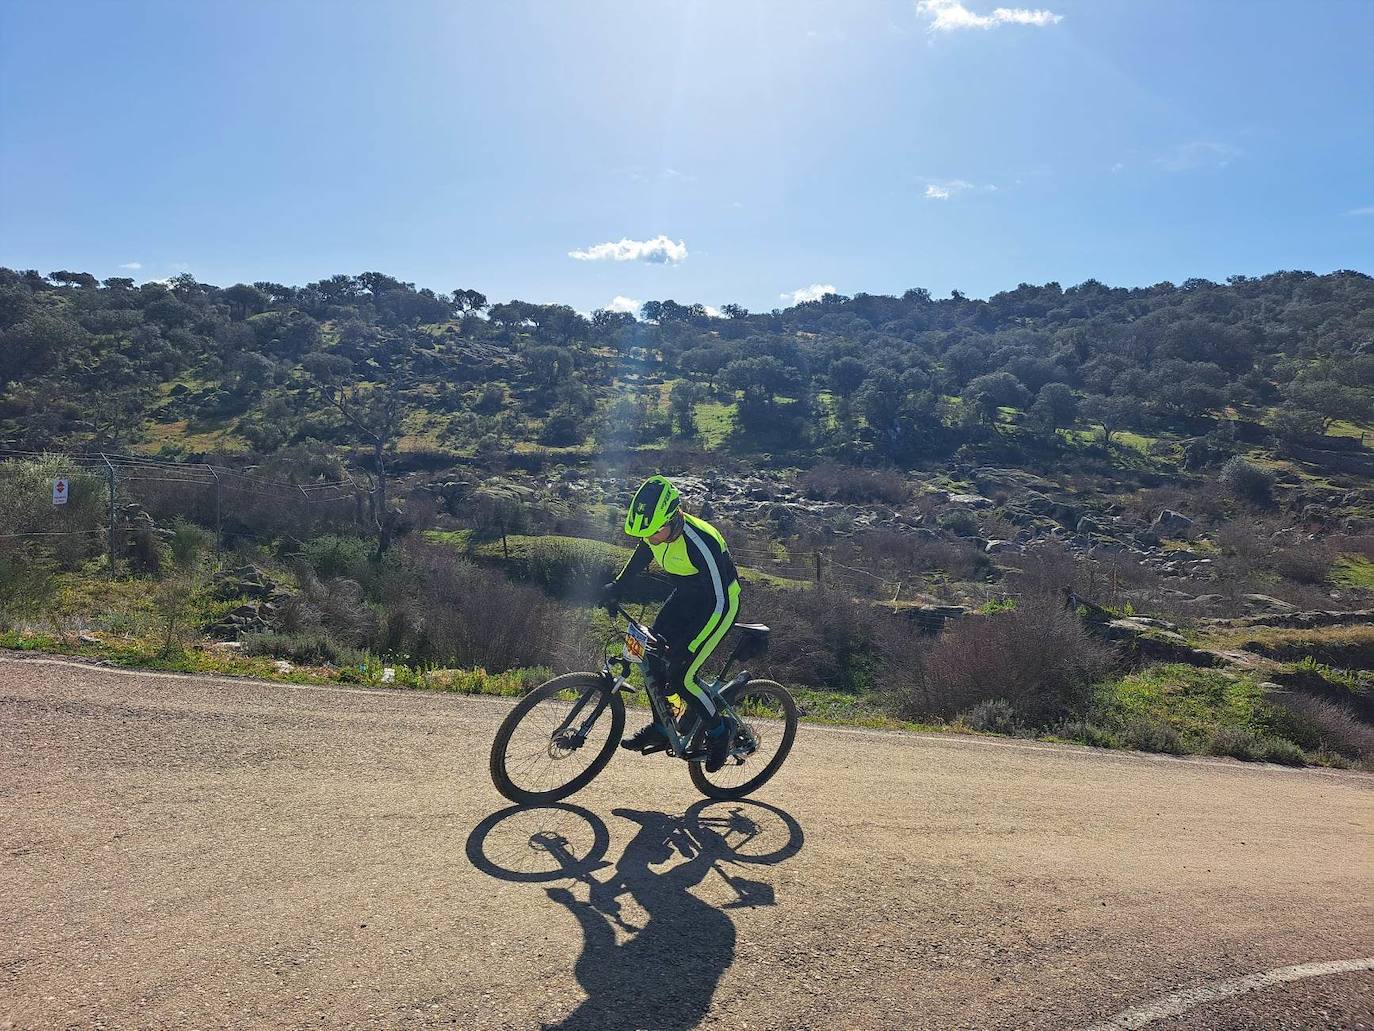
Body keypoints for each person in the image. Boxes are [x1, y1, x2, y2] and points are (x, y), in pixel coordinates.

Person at [599, 475, 741, 773]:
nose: (650, 540)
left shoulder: (701, 541)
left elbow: (719, 601)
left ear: (674, 518)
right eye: (646, 535)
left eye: (655, 533)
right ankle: (663, 727)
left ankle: (719, 732)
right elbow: (642, 555)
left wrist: (687, 648)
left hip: (719, 604)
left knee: (682, 676)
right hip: (687, 596)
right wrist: (617, 587)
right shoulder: (656, 532)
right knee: (651, 655)